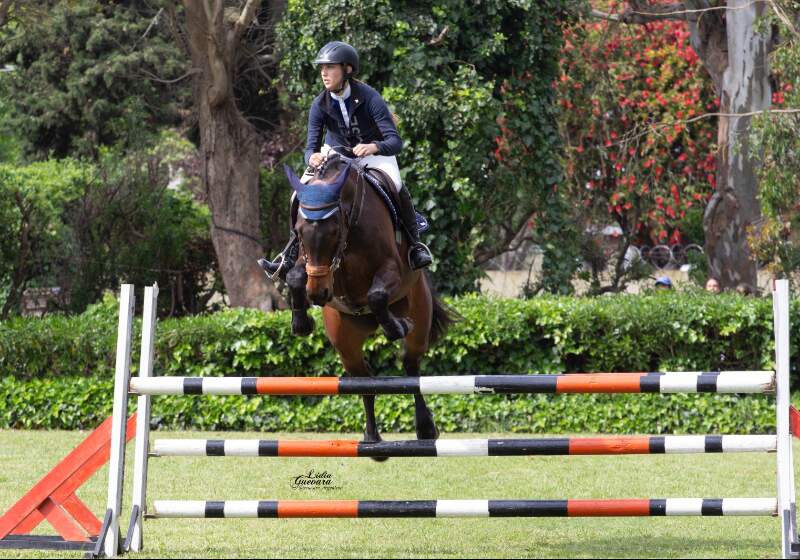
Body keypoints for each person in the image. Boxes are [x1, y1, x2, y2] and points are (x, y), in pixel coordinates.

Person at [259, 41, 433, 280]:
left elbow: (395, 141)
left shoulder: (370, 97)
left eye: (330, 67)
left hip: (373, 155)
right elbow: (310, 147)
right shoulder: (319, 104)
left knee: (396, 184)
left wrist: (374, 145)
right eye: (322, 68)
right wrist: (313, 157)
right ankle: (290, 254)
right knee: (297, 195)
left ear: (347, 69)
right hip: (336, 156)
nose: (324, 72)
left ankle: (415, 246)